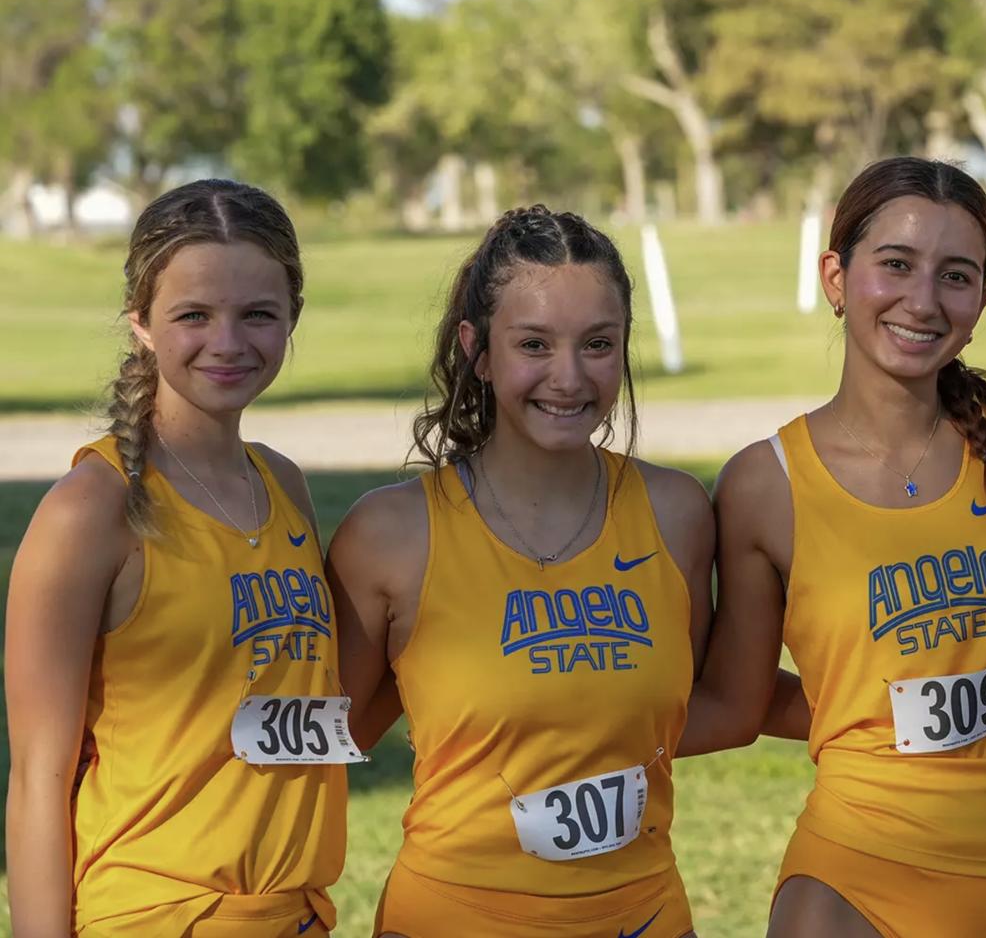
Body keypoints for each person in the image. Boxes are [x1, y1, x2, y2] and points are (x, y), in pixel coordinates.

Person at [694, 157, 986, 938]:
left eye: (955, 277)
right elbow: (736, 703)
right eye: (895, 265)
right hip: (853, 876)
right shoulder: (765, 484)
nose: (922, 301)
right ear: (836, 275)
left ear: (982, 301)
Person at [328, 205, 706, 938]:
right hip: (452, 916)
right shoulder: (390, 534)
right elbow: (332, 735)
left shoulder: (676, 511)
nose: (568, 378)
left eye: (598, 344)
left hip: (645, 915)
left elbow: (707, 704)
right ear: (477, 349)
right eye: (533, 343)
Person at [5, 180, 347, 936]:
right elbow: (38, 777)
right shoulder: (90, 509)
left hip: (294, 913)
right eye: (193, 315)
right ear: (142, 324)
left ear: (293, 316)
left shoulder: (283, 485)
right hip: (154, 916)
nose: (228, 343)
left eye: (258, 314)